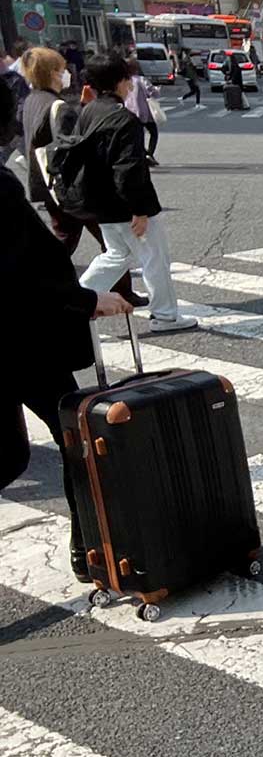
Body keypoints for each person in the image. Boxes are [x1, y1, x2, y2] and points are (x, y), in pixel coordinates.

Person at [2, 94, 136, 584]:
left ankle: (91, 551)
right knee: (73, 436)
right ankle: (91, 551)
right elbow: (22, 269)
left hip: (15, 337)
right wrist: (84, 302)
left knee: (25, 449)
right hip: (18, 340)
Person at [72, 54, 196, 333]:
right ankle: (165, 316)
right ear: (120, 81)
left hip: (100, 202)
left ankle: (77, 302)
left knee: (115, 256)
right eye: (127, 78)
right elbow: (128, 169)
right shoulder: (123, 119)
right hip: (127, 205)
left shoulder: (88, 112)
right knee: (154, 258)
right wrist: (139, 209)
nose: (130, 84)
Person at [19, 47, 142, 308]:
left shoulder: (32, 100)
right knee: (111, 245)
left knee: (76, 240)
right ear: (53, 73)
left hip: (47, 184)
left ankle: (119, 292)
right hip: (70, 187)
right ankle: (73, 294)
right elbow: (71, 147)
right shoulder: (58, 106)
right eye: (62, 69)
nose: (66, 74)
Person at [122, 59, 160, 167]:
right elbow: (153, 92)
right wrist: (157, 90)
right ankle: (149, 154)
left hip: (129, 112)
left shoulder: (124, 81)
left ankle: (142, 154)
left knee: (136, 135)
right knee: (153, 133)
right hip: (143, 112)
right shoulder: (141, 80)